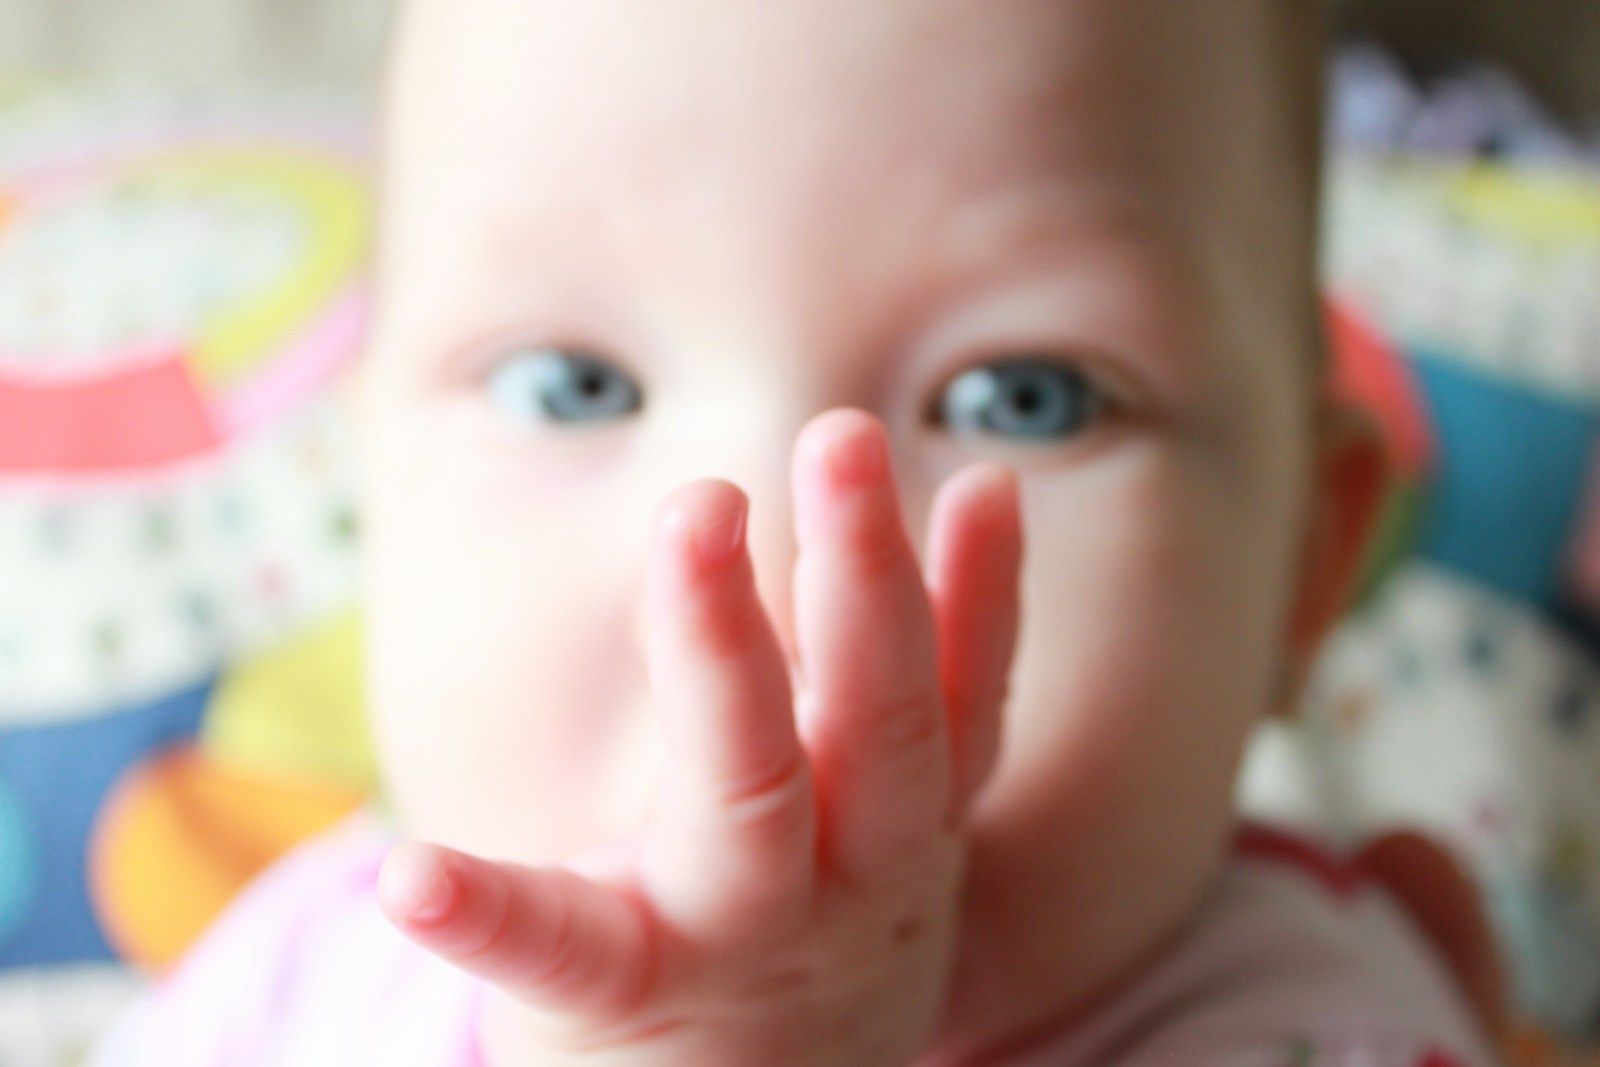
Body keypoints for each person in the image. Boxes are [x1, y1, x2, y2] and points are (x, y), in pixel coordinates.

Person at [95, 1, 1506, 1062]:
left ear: (1301, 576)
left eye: (1022, 400)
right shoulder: (294, 982)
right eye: (572, 387)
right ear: (372, 499)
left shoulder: (1318, 1030)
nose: (771, 565)